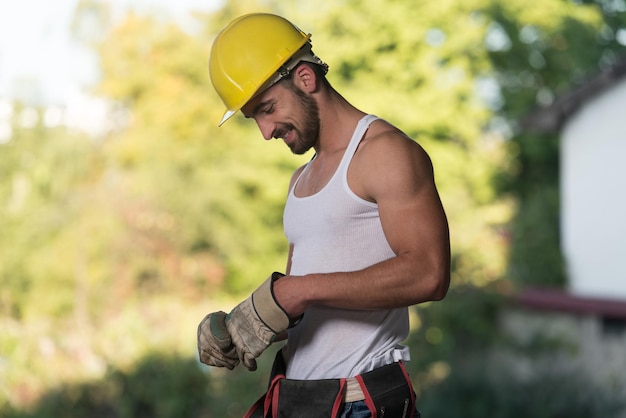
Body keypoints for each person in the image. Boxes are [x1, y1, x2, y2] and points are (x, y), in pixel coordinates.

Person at [197, 13, 450, 418]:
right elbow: (303, 308)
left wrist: (299, 290)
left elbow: (430, 274)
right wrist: (241, 325)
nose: (265, 131)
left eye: (267, 108)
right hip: (299, 401)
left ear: (304, 78)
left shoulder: (385, 153)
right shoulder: (301, 180)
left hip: (360, 404)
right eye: (254, 119)